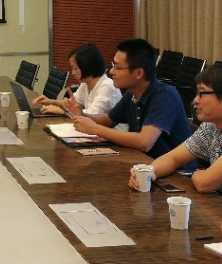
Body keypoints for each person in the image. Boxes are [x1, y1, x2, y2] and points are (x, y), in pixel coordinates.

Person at [64, 38, 195, 160]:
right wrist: (83, 115)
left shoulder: (165, 95)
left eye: (118, 67)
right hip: (143, 163)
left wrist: (95, 129)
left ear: (138, 73)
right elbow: (108, 120)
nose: (111, 71)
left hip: (177, 172)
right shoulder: (132, 93)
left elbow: (144, 142)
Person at [129, 63, 222, 193]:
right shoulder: (211, 127)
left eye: (202, 93)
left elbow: (204, 183)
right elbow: (173, 158)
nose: (195, 100)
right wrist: (149, 172)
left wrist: (196, 173)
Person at [32, 43, 122, 120]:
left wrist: (62, 111)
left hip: (113, 134)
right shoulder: (85, 84)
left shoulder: (107, 86)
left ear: (87, 67)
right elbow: (72, 104)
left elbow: (92, 114)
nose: (73, 73)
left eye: (75, 68)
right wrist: (50, 102)